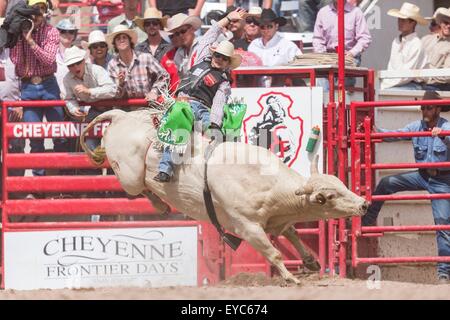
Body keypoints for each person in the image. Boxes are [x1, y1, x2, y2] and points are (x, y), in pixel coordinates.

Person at [361, 91, 450, 283]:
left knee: (442, 224)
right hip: (423, 175)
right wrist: (373, 131)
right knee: (386, 183)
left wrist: (443, 137)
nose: (425, 110)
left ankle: (444, 272)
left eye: (429, 107)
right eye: (423, 107)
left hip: (443, 181)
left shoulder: (447, 127)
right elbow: (394, 135)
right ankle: (367, 221)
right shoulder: (416, 126)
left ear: (438, 108)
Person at [154, 8, 245, 183]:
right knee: (176, 128)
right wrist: (227, 19)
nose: (219, 59)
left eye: (224, 58)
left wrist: (215, 124)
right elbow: (211, 34)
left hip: (204, 109)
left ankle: (226, 173)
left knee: (220, 135)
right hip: (184, 104)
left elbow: (218, 103)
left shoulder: (224, 81)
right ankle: (165, 169)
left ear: (228, 62)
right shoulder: (202, 57)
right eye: (218, 55)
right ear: (213, 54)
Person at [9, 0, 68, 178]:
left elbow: (49, 60)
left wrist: (31, 42)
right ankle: (38, 182)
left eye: (41, 9)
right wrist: (21, 35)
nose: (38, 14)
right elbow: (16, 61)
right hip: (28, 86)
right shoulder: (22, 30)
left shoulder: (52, 31)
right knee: (34, 137)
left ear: (46, 11)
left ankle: (60, 180)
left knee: (60, 133)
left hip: (48, 84)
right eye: (34, 10)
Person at [63, 46, 117, 149]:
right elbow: (69, 98)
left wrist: (89, 91)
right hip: (92, 113)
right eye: (71, 65)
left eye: (78, 63)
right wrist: (74, 109)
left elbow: (112, 90)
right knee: (91, 145)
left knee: (113, 144)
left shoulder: (96, 70)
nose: (75, 67)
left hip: (111, 110)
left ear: (84, 61)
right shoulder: (67, 79)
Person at [106, 25, 170, 107]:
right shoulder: (112, 65)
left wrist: (154, 91)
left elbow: (164, 76)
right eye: (118, 39)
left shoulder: (145, 58)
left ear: (130, 41)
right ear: (115, 44)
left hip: (148, 107)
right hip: (125, 110)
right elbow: (114, 95)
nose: (121, 40)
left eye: (124, 37)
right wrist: (120, 84)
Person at [248, 8, 301, 86]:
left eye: (269, 26)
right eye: (263, 27)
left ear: (276, 26)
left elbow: (301, 64)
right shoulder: (253, 45)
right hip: (256, 88)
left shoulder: (287, 45)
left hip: (281, 88)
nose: (266, 30)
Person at [380, 3, 427, 91]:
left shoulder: (416, 44)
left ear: (413, 23)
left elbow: (407, 74)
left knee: (384, 92)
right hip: (399, 82)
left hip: (413, 84)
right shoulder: (396, 41)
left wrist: (385, 85)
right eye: (399, 19)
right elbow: (392, 67)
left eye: (403, 20)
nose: (399, 22)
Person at [135, 7, 179, 92]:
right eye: (148, 24)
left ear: (160, 26)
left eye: (154, 23)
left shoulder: (171, 48)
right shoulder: (138, 49)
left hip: (167, 94)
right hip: (144, 95)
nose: (151, 26)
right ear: (144, 27)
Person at [164, 13, 202, 80]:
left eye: (183, 31)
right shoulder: (179, 54)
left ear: (192, 29)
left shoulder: (202, 44)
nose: (180, 36)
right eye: (177, 34)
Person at [421, 7, 450, 91]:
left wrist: (426, 75)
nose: (448, 26)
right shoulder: (425, 39)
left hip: (437, 86)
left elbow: (447, 76)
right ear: (440, 23)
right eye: (446, 22)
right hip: (419, 83)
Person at [54, 18, 78, 98]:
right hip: (55, 98)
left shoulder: (80, 53)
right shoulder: (50, 53)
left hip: (75, 98)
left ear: (75, 34)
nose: (67, 35)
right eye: (63, 31)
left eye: (71, 32)